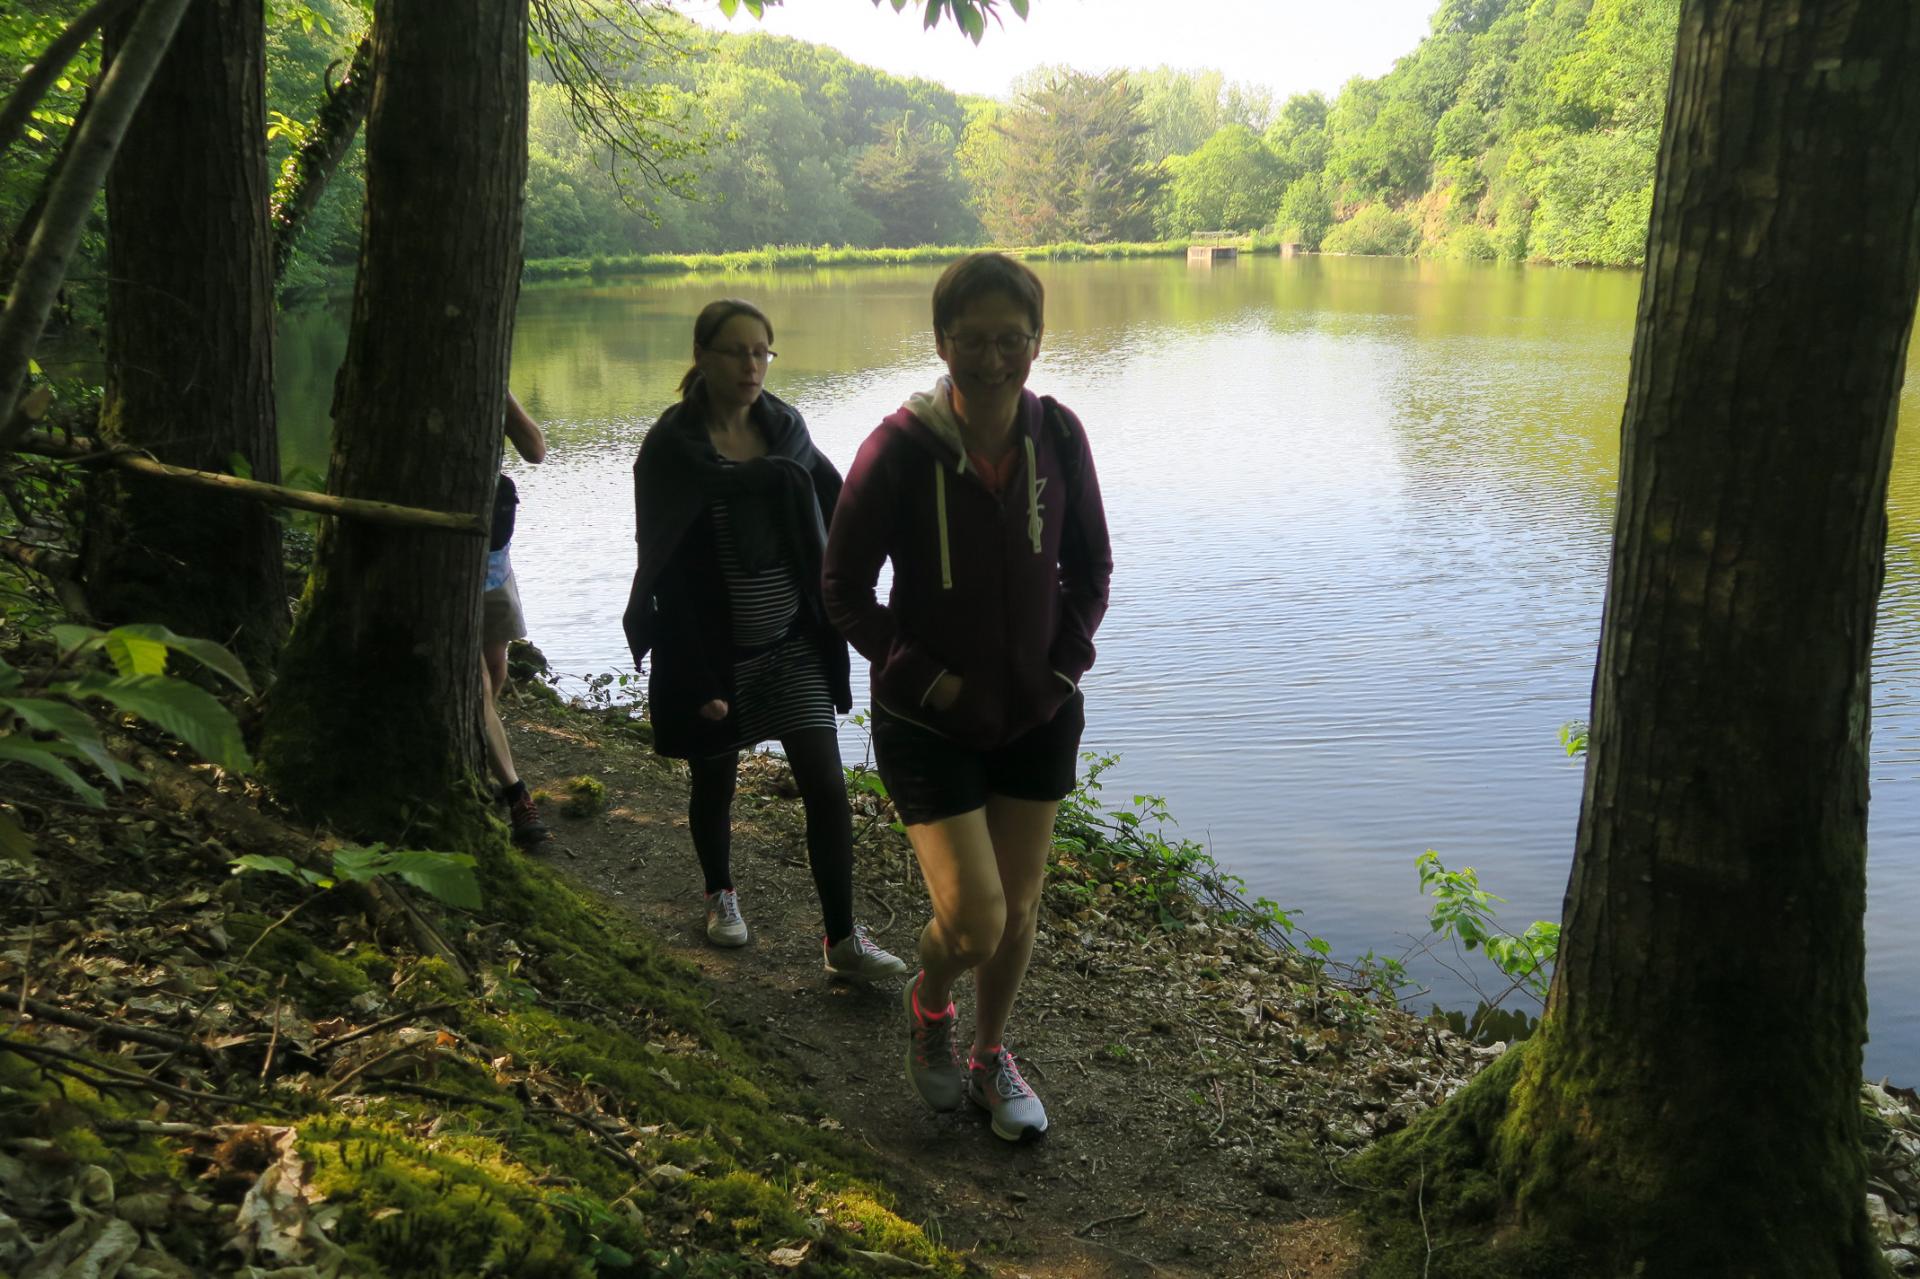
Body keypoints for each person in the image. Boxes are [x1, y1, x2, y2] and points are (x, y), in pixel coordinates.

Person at [823, 252, 1113, 1143]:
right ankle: (931, 1003)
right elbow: (842, 592)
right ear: (942, 341)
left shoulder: (1058, 436)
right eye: (975, 340)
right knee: (975, 915)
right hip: (929, 718)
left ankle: (989, 1056)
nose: (994, 359)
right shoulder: (897, 450)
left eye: (1012, 340)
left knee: (1019, 908)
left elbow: (1090, 569)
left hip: (1036, 709)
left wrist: (1063, 668)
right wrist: (926, 677)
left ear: (1037, 340)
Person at [622, 298, 907, 982]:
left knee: (827, 785)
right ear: (703, 357)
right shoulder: (671, 447)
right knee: (714, 779)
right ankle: (720, 892)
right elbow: (661, 567)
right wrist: (695, 674)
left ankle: (842, 938)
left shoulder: (787, 430)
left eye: (762, 352)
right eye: (735, 351)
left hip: (793, 643)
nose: (751, 365)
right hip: (716, 653)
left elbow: (842, 509)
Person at [485, 392, 552, 847]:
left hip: (493, 559)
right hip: (441, 557)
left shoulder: (486, 380)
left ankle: (477, 739)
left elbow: (536, 451)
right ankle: (515, 792)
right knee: (473, 681)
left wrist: (503, 397)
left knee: (495, 670)